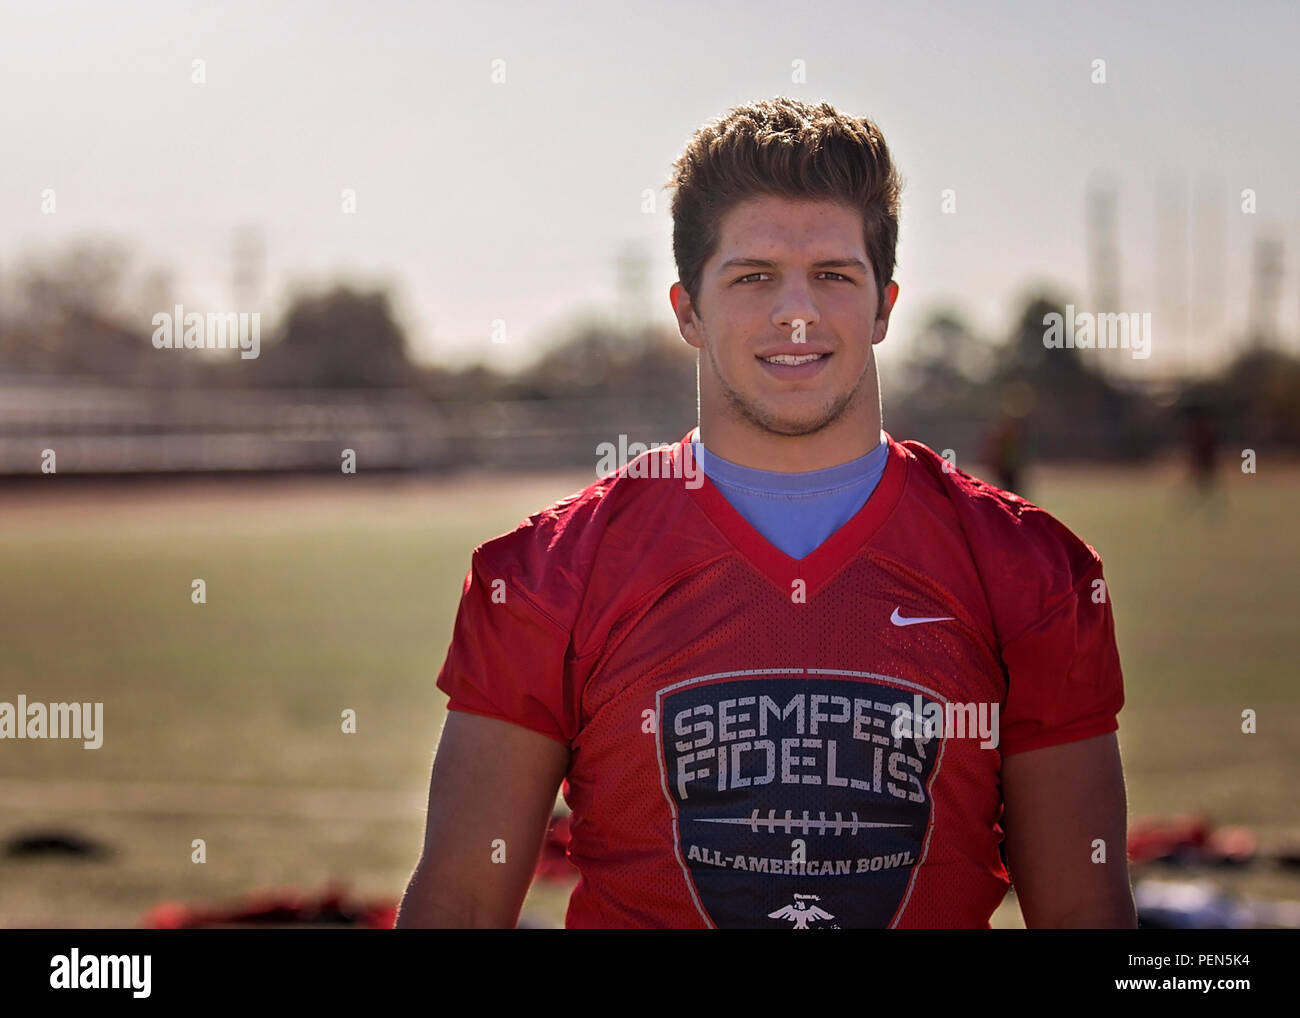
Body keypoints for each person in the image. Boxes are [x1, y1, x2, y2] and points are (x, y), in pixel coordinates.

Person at [396, 97, 1136, 929]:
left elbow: (1084, 914)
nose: (796, 312)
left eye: (833, 275)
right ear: (687, 310)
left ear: (885, 305)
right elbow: (458, 903)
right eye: (753, 277)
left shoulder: (1031, 571)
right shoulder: (545, 576)